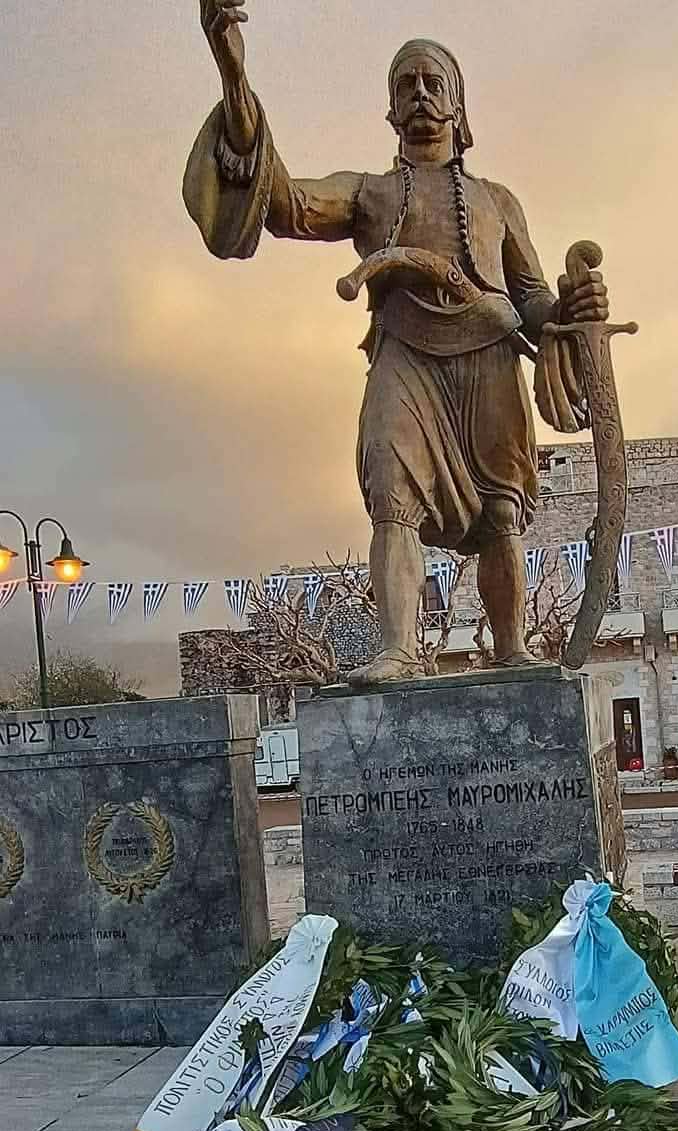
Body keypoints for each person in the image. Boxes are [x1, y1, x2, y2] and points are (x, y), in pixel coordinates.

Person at [186, 3, 610, 681]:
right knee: (392, 495)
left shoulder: (498, 200)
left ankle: (510, 649)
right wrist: (233, 73)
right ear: (389, 110)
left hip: (489, 358)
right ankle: (399, 649)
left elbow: (531, 298)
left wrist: (568, 310)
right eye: (405, 84)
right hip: (404, 356)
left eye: (432, 83)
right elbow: (287, 204)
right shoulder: (369, 193)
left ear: (458, 105)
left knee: (502, 511)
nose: (419, 94)